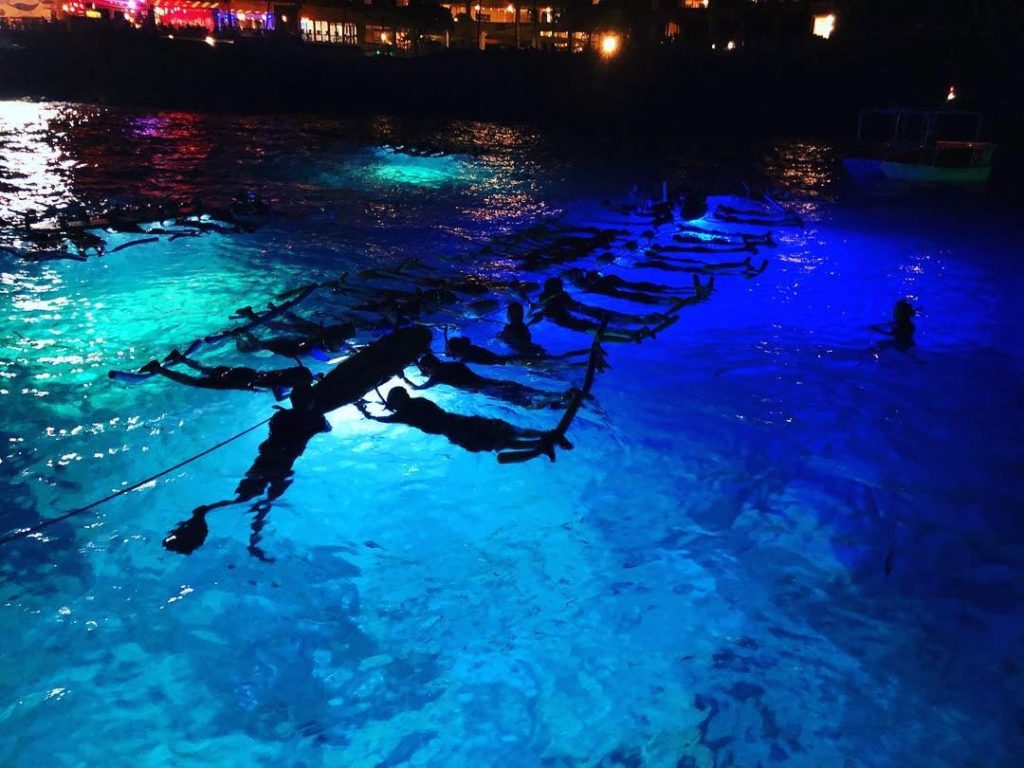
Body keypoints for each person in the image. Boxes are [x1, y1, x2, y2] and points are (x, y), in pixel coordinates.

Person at [355, 386, 571, 458]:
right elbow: (395, 414)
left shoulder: (404, 413)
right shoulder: (418, 401)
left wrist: (364, 411)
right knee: (506, 430)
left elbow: (384, 418)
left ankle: (539, 445)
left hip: (458, 432)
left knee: (498, 442)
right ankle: (545, 435)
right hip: (462, 421)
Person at [405, 352, 569, 409]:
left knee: (528, 405)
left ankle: (555, 400)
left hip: (486, 390)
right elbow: (444, 373)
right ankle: (559, 396)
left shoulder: (437, 377)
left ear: (428, 368)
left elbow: (418, 388)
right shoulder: (453, 365)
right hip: (492, 382)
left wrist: (404, 378)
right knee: (528, 391)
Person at [122, 352, 314, 400]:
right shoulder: (281, 383)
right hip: (239, 380)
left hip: (245, 372)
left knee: (208, 369)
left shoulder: (281, 374)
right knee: (196, 382)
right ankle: (158, 369)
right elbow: (280, 396)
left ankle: (179, 357)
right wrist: (293, 393)